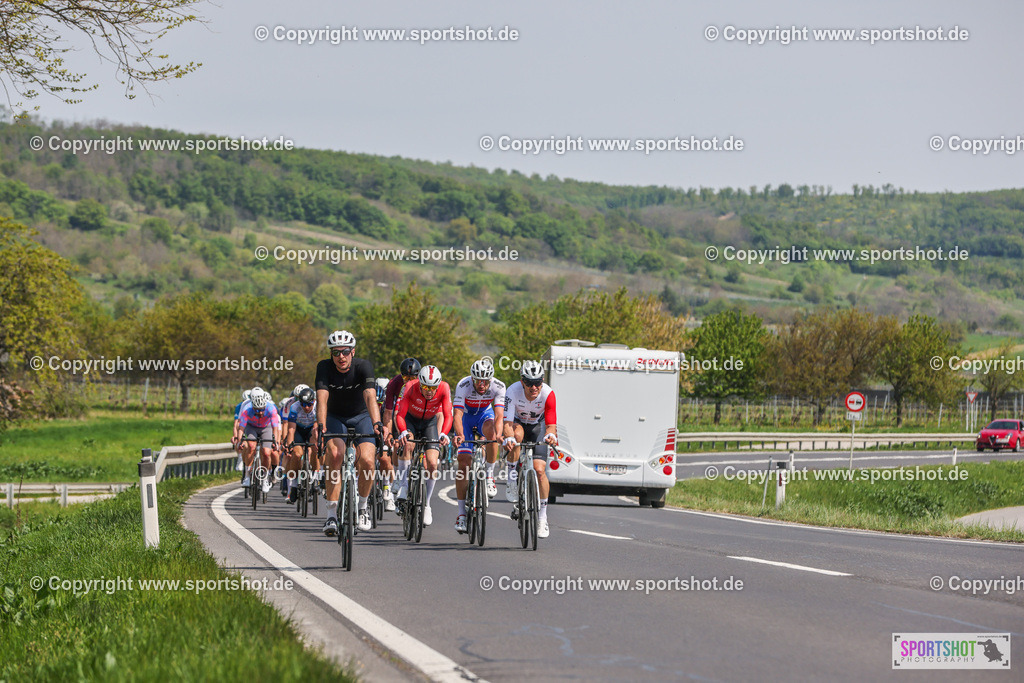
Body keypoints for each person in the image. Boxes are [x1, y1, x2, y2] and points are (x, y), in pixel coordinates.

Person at [315, 330, 385, 536]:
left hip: (361, 416)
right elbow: (322, 398)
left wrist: (377, 423)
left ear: (352, 352)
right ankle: (331, 515)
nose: (341, 357)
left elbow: (370, 396)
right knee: (335, 456)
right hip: (335, 417)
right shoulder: (324, 367)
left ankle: (362, 508)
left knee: (368, 461)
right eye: (336, 353)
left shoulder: (363, 366)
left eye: (345, 352)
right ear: (331, 354)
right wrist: (320, 424)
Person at [503, 360, 557, 539]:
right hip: (518, 425)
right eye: (529, 383)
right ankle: (512, 478)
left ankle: (542, 517)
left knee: (540, 470)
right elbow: (508, 423)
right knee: (516, 437)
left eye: (538, 382)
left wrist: (551, 436)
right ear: (522, 381)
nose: (534, 387)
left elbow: (550, 424)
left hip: (537, 427)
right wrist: (509, 437)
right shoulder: (512, 391)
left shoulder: (548, 393)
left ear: (542, 380)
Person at [394, 365, 453, 528]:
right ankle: (404, 487)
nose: (429, 391)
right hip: (411, 420)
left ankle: (426, 504)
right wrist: (403, 431)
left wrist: (444, 433)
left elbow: (448, 414)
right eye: (426, 387)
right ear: (420, 384)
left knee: (433, 463)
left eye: (433, 387)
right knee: (407, 445)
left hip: (430, 423)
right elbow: (400, 414)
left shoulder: (444, 388)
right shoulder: (409, 387)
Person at [451, 359, 506, 533]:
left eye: (485, 381)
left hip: (485, 416)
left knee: (491, 433)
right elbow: (458, 415)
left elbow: (498, 416)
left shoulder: (498, 386)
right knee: (464, 462)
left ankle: (489, 475)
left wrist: (498, 435)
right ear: (472, 378)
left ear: (491, 379)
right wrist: (460, 435)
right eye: (478, 381)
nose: (481, 385)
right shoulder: (463, 385)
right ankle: (461, 514)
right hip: (466, 419)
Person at [238, 388, 282, 494]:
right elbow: (241, 428)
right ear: (253, 407)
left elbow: (275, 428)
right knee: (251, 446)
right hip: (251, 427)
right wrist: (239, 441)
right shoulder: (247, 409)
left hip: (266, 427)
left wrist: (275, 442)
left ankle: (265, 478)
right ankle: (247, 477)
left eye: (262, 409)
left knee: (267, 453)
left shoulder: (271, 409)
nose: (260, 412)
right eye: (257, 410)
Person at [283, 387, 319, 504]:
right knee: (297, 454)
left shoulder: (318, 407)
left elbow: (316, 428)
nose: (306, 407)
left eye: (309, 404)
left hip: (311, 429)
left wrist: (318, 443)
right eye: (303, 404)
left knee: (314, 448)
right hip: (298, 429)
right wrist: (289, 445)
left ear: (313, 401)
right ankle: (293, 486)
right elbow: (291, 430)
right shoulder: (294, 407)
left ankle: (315, 477)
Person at [232, 389, 252, 471]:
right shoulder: (240, 406)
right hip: (244, 425)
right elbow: (237, 423)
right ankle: (241, 458)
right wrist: (236, 436)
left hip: (253, 425)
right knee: (242, 442)